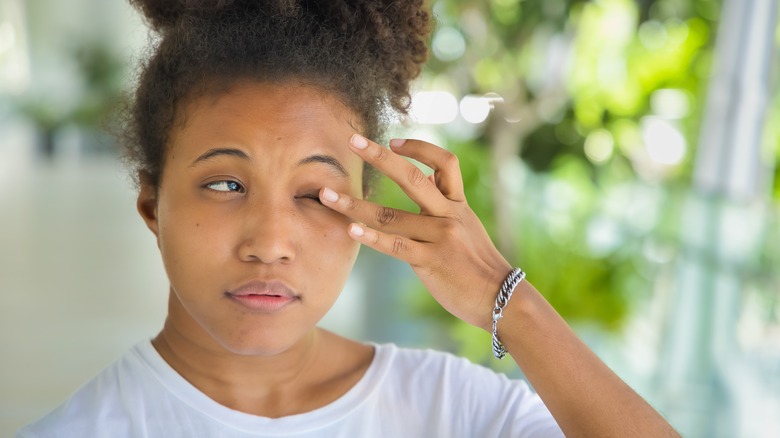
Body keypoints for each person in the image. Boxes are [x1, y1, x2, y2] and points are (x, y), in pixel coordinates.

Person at [18, 1, 679, 437]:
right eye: (226, 183)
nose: (269, 244)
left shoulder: (456, 413)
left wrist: (512, 303)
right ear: (151, 207)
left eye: (314, 195)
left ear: (371, 205)